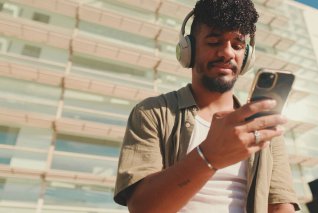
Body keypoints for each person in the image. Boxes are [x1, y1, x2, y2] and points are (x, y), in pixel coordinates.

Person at [114, 0, 300, 212]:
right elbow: (142, 207)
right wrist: (208, 157)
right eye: (214, 42)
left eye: (238, 45)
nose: (227, 53)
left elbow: (280, 205)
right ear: (188, 49)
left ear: (247, 56)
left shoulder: (263, 125)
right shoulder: (152, 113)